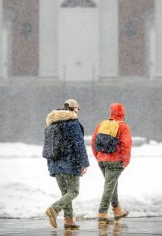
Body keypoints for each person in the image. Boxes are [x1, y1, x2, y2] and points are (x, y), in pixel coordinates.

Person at [45, 98, 89, 230]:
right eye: (77, 109)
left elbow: (48, 147)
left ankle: (69, 221)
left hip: (55, 164)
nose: (78, 112)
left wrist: (51, 167)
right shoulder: (72, 123)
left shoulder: (52, 124)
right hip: (70, 163)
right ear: (74, 109)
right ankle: (54, 209)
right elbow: (79, 143)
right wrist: (84, 163)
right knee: (74, 191)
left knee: (66, 193)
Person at [91, 102, 132, 224]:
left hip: (102, 160)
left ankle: (117, 209)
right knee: (109, 185)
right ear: (123, 113)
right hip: (115, 161)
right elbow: (126, 144)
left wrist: (98, 156)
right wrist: (126, 161)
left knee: (111, 183)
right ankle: (102, 212)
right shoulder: (123, 126)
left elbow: (93, 142)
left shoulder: (102, 124)